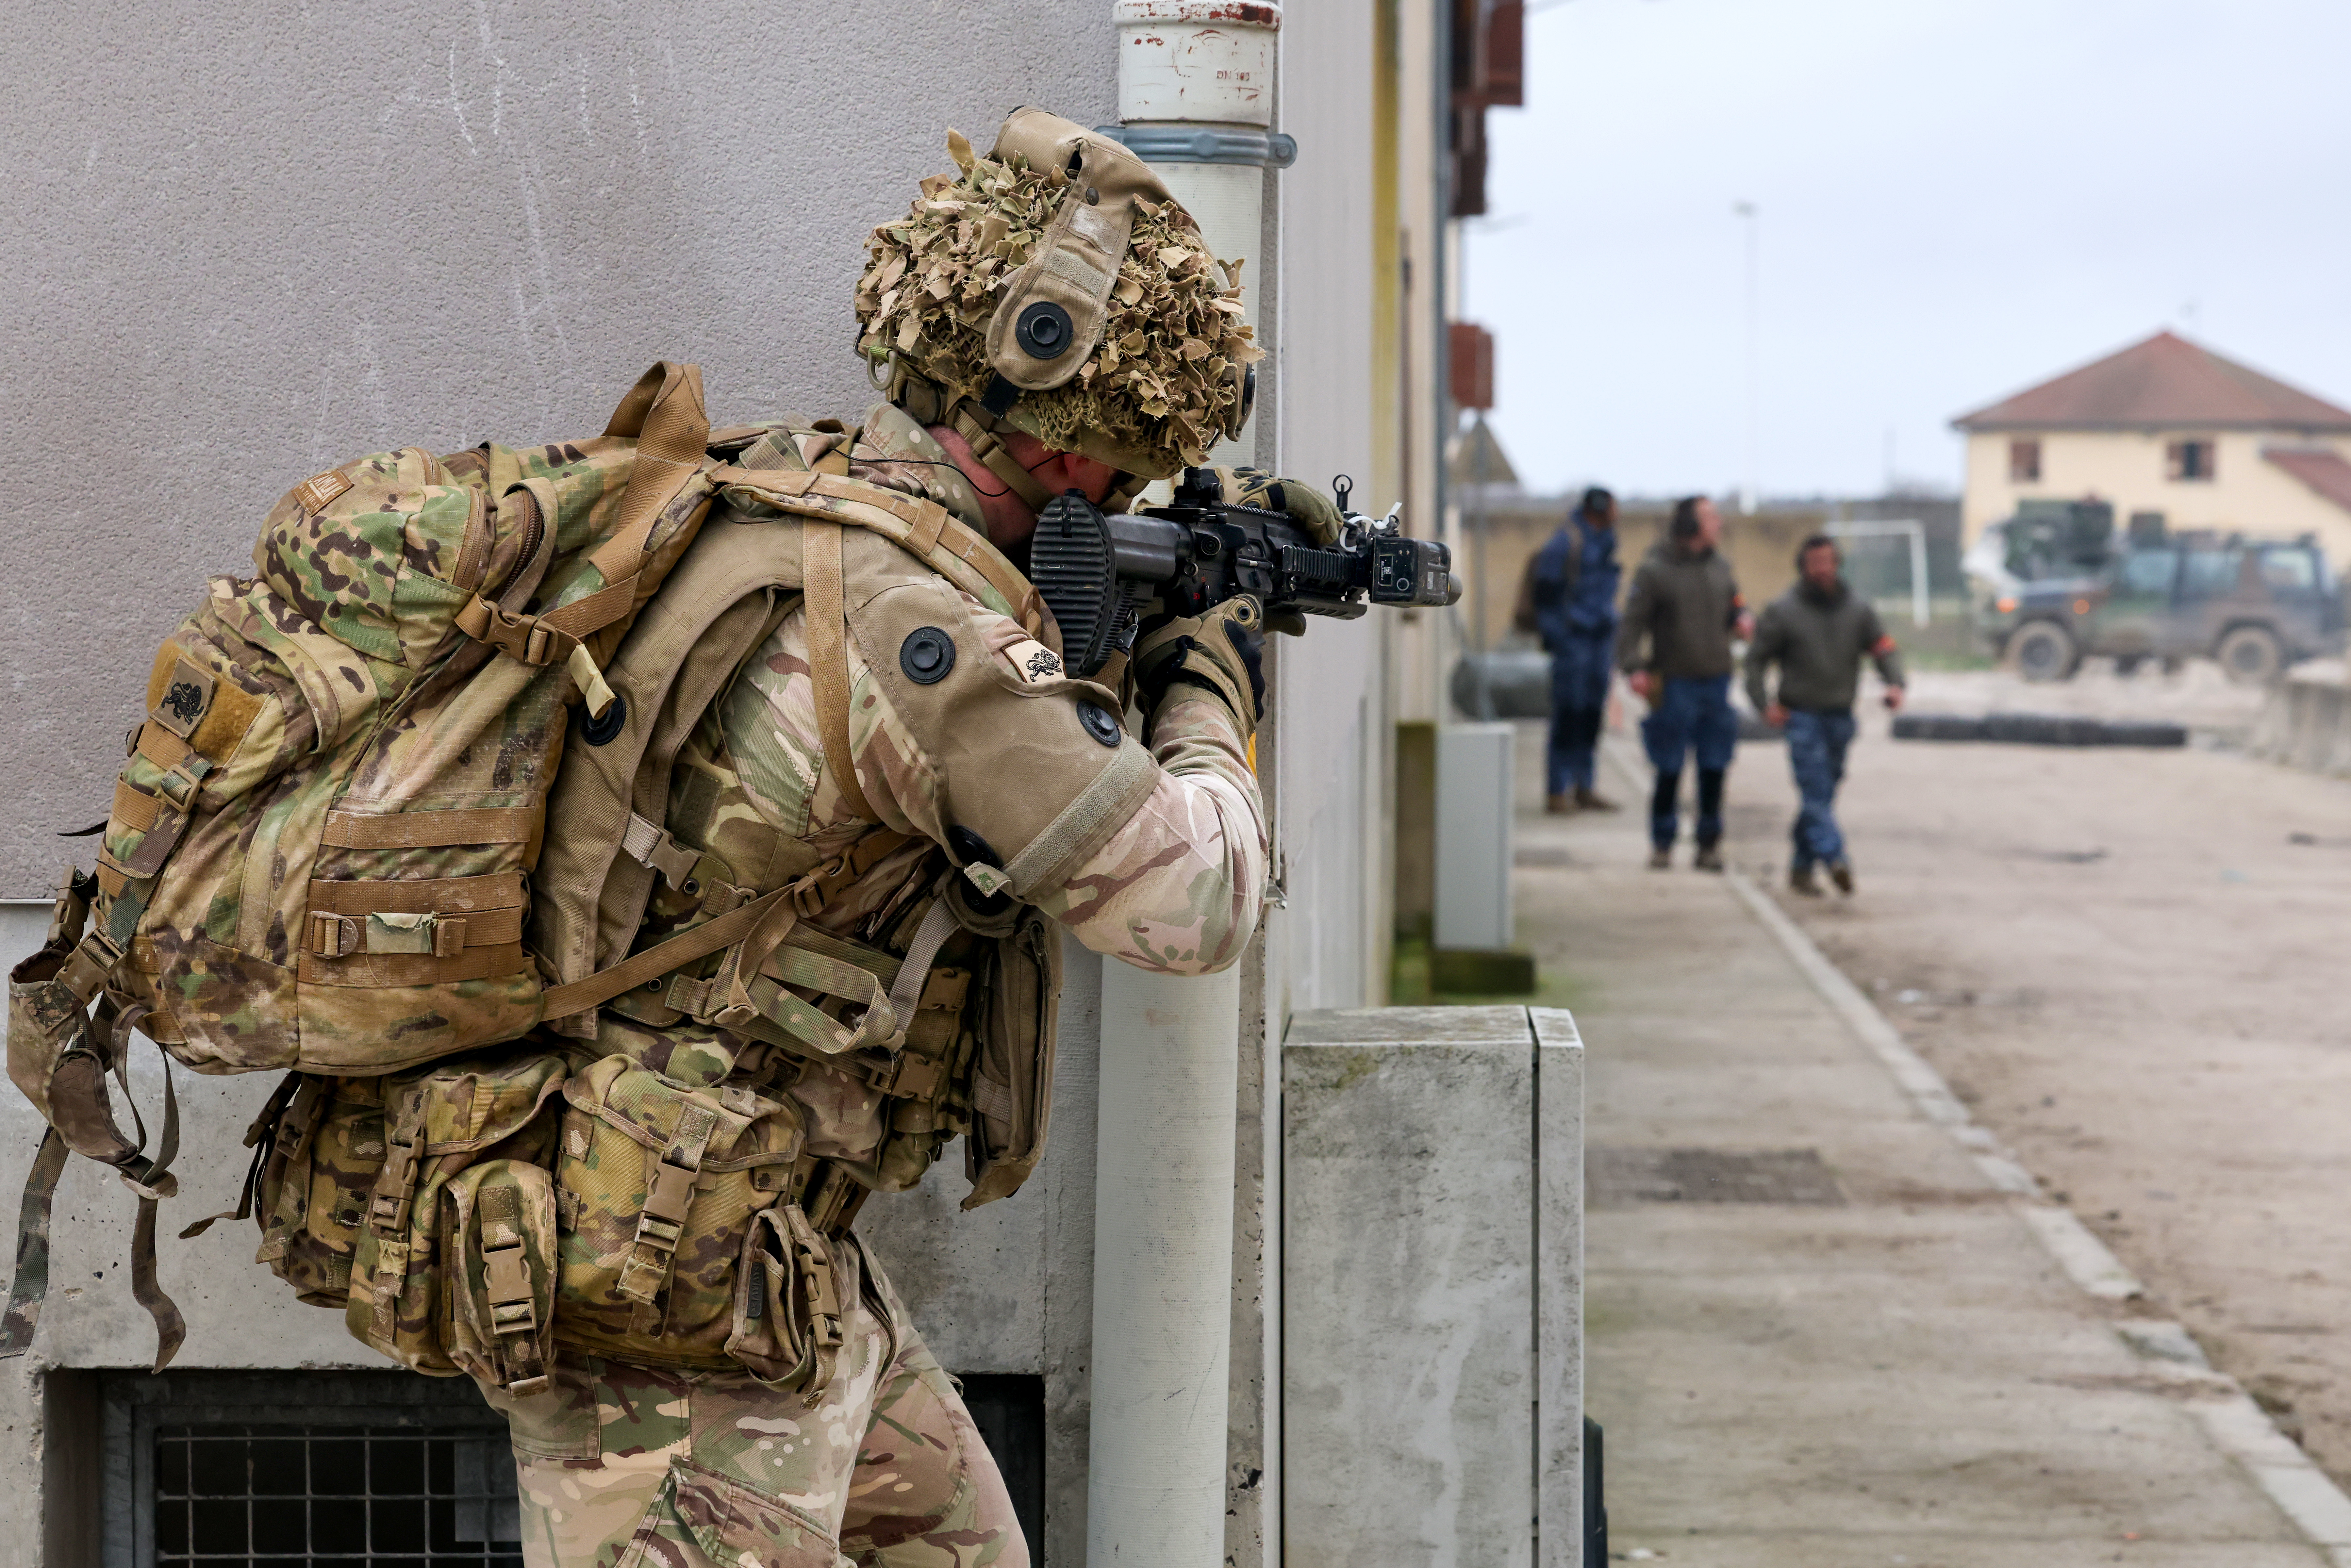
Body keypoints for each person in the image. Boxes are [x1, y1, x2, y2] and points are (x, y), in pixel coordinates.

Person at [480, 110, 1337, 1568]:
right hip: (666, 1278)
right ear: (1069, 459)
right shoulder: (915, 624)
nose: (1121, 500)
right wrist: (1208, 676)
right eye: (1120, 475)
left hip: (765, 1244)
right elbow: (1189, 901)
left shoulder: (807, 501)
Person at [1745, 534, 1908, 896]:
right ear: (1803, 567)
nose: (1822, 570)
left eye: (1828, 562)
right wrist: (1762, 703)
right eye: (1814, 563)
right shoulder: (1783, 611)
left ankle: (1801, 867)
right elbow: (1755, 660)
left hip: (1840, 716)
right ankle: (1835, 858)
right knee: (1815, 791)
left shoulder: (1857, 610)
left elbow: (1882, 647)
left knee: (1823, 794)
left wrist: (1895, 683)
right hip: (1801, 716)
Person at [1616, 495, 1749, 871]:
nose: (1718, 523)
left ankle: (1709, 845)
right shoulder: (1655, 571)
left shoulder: (1720, 567)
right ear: (1689, 524)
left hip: (1716, 682)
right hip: (1674, 684)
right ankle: (1662, 842)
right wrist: (1634, 667)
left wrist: (1742, 618)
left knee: (1714, 766)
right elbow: (1631, 625)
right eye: (1710, 517)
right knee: (1670, 767)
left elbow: (1735, 604)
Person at [1525, 485, 1622, 812]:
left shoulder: (1605, 542)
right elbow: (1546, 596)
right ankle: (1557, 789)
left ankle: (1585, 785)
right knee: (1568, 714)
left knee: (1591, 716)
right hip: (1573, 643)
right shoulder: (1566, 542)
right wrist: (1561, 637)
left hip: (1598, 642)